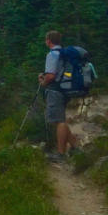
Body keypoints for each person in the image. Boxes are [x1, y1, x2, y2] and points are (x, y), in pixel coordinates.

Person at [38, 30, 79, 161]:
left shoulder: (52, 55)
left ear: (48, 41)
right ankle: (75, 147)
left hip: (55, 91)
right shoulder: (64, 54)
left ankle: (60, 154)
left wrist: (42, 82)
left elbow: (51, 76)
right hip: (65, 90)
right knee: (60, 119)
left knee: (59, 122)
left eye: (46, 40)